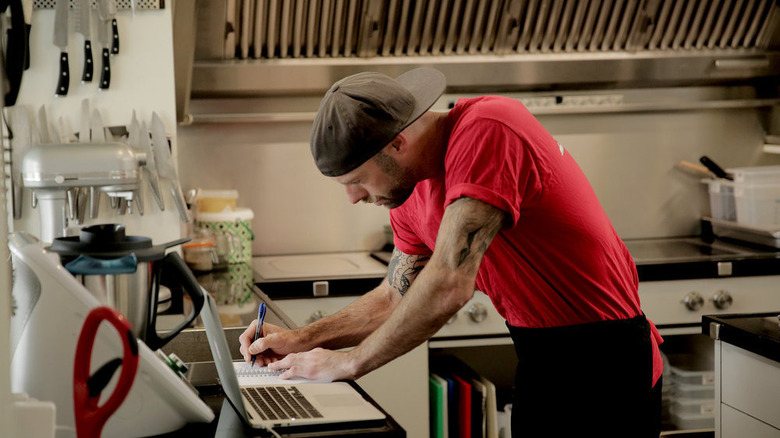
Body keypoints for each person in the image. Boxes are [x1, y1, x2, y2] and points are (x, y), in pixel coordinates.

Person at [239, 67, 663, 437]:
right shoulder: (408, 192)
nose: (353, 198)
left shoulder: (488, 128)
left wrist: (347, 363)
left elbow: (447, 285)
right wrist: (299, 340)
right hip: (540, 359)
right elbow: (395, 295)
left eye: (357, 179)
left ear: (397, 143)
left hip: (609, 361)